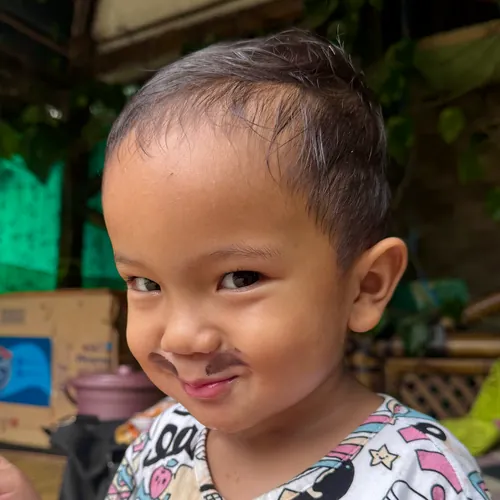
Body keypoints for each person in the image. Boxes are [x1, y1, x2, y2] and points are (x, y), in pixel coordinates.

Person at [1, 29, 490, 500]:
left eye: (239, 279)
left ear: (365, 286)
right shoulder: (158, 440)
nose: (180, 338)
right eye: (146, 283)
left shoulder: (420, 478)